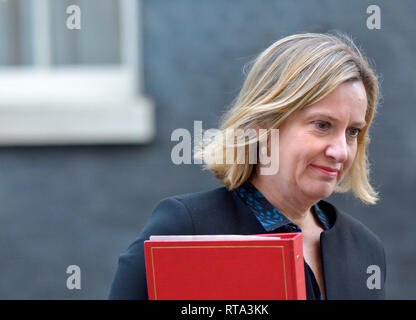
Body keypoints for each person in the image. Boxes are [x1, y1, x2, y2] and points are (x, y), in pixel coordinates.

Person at [108, 32, 386, 300]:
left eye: (352, 132)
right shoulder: (186, 230)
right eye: (322, 125)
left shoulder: (364, 249)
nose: (340, 151)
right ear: (263, 128)